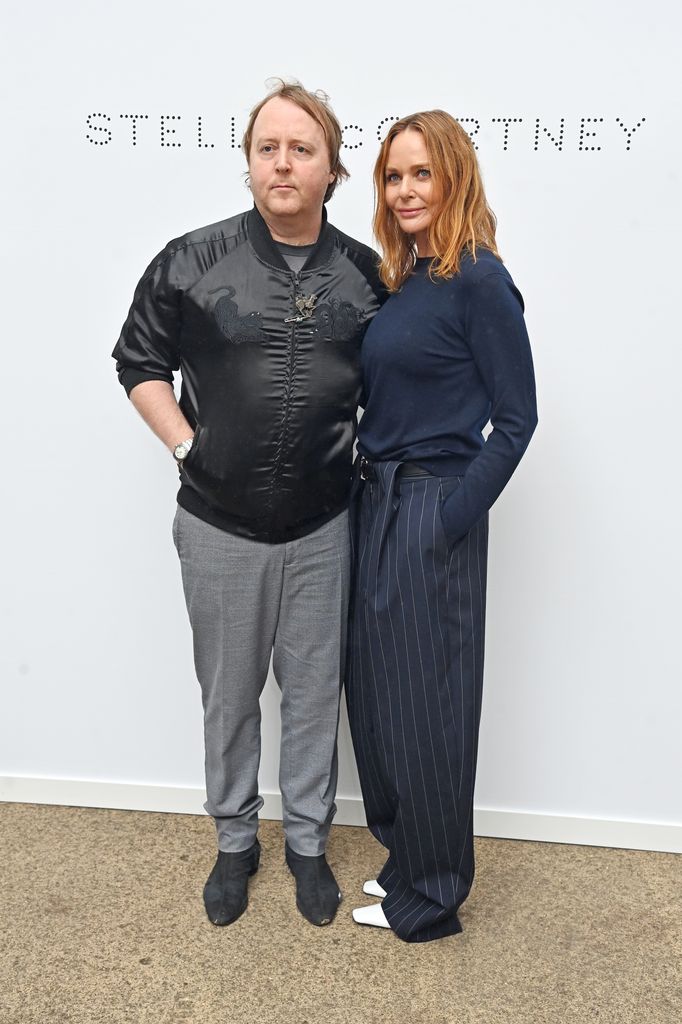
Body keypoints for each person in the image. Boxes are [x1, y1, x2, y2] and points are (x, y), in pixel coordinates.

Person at [112, 81, 385, 929]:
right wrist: (191, 448)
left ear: (332, 169)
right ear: (249, 161)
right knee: (228, 694)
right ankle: (236, 840)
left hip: (325, 523)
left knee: (313, 692)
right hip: (219, 523)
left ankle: (307, 841)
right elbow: (138, 363)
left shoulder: (369, 276)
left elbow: (400, 379)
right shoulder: (191, 260)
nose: (282, 162)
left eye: (302, 149)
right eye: (268, 147)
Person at [346, 110, 537, 942]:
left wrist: (451, 516)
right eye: (394, 176)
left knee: (431, 705)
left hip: (431, 506)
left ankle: (433, 895)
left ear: (453, 177)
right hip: (377, 502)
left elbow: (518, 418)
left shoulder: (481, 280)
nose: (406, 189)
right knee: (380, 702)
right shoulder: (409, 279)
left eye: (421, 173)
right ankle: (406, 860)